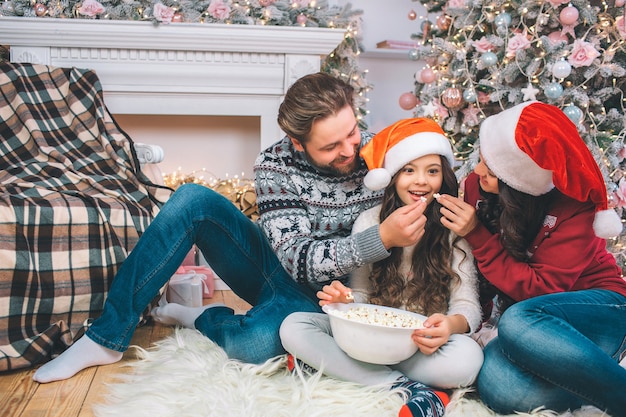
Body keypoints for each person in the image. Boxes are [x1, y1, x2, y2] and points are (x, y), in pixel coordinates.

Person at [32, 72, 425, 383]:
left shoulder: (384, 154)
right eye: (331, 146)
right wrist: (382, 238)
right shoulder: (275, 165)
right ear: (298, 143)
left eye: (352, 132)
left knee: (255, 345)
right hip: (282, 269)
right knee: (191, 200)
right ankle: (105, 337)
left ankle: (200, 317)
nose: (349, 150)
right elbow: (298, 260)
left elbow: (433, 179)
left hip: (340, 298)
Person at [280, 118, 484, 417]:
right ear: (392, 176)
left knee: (467, 361)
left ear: (444, 178)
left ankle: (342, 368)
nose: (421, 181)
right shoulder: (370, 222)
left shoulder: (453, 228)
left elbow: (468, 306)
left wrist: (450, 325)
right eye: (408, 170)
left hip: (417, 344)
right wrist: (345, 302)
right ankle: (409, 388)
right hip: (370, 338)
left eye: (432, 171)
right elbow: (361, 292)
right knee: (295, 326)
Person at [435, 101, 626, 416]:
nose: (477, 171)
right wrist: (468, 324)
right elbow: (477, 273)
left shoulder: (574, 206)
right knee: (499, 388)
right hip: (531, 328)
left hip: (597, 308)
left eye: (492, 169)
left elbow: (542, 290)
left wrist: (478, 235)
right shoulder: (477, 188)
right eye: (482, 159)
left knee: (518, 320)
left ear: (518, 183)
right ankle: (592, 372)